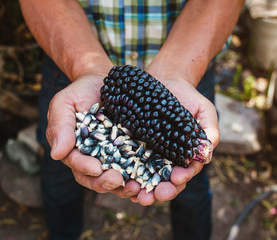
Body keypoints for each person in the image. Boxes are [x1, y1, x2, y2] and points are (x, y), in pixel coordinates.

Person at [19, 0, 244, 239]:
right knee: (58, 170)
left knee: (191, 182)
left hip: (190, 63)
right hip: (69, 61)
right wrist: (86, 68)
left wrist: (178, 71)